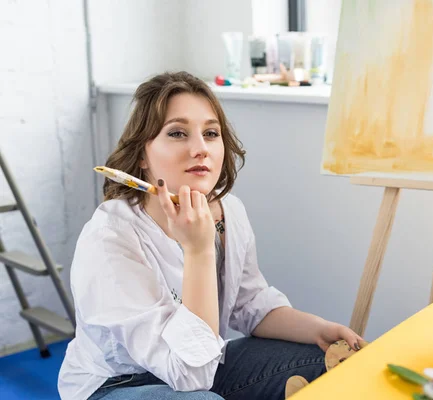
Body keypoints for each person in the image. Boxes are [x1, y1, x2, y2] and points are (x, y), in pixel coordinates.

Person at [57, 71, 364, 400]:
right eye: (177, 133)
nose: (200, 148)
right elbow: (191, 374)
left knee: (330, 362)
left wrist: (317, 329)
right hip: (118, 383)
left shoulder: (228, 210)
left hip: (204, 361)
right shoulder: (109, 239)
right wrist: (199, 250)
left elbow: (250, 304)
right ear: (143, 156)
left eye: (211, 133)